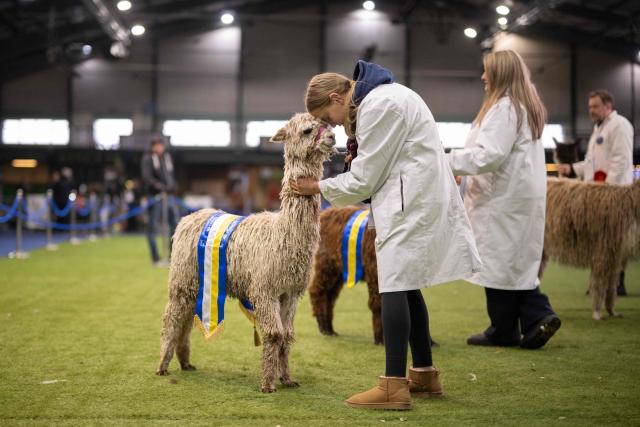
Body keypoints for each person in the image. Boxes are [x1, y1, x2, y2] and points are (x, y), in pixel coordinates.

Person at [291, 60, 482, 411]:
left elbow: (365, 178)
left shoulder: (379, 106)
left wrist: (315, 186)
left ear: (336, 97)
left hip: (410, 202)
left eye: (328, 117)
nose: (332, 125)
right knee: (406, 284)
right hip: (411, 197)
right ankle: (424, 374)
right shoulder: (385, 98)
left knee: (393, 283)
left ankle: (393, 386)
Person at [447, 49, 561, 349]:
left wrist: (448, 162)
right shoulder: (523, 106)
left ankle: (513, 325)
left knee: (497, 264)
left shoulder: (506, 108)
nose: (483, 77)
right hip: (516, 198)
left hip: (501, 199)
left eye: (488, 72)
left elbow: (489, 155)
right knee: (513, 263)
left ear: (500, 74)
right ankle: (531, 319)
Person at [557, 90, 634, 296]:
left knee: (615, 241)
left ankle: (617, 283)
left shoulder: (620, 126)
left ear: (608, 106)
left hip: (615, 195)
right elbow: (592, 163)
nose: (591, 111)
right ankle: (599, 282)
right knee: (600, 242)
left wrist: (608, 193)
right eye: (590, 107)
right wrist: (572, 169)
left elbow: (620, 161)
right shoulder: (598, 128)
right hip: (597, 195)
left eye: (595, 106)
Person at [141, 137, 178, 266]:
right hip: (155, 197)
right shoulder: (148, 159)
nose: (159, 147)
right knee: (152, 227)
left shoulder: (166, 158)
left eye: (161, 145)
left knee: (175, 226)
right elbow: (147, 177)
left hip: (168, 196)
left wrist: (172, 186)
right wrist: (159, 186)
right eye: (157, 145)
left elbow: (170, 176)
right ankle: (155, 258)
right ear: (153, 146)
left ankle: (172, 256)